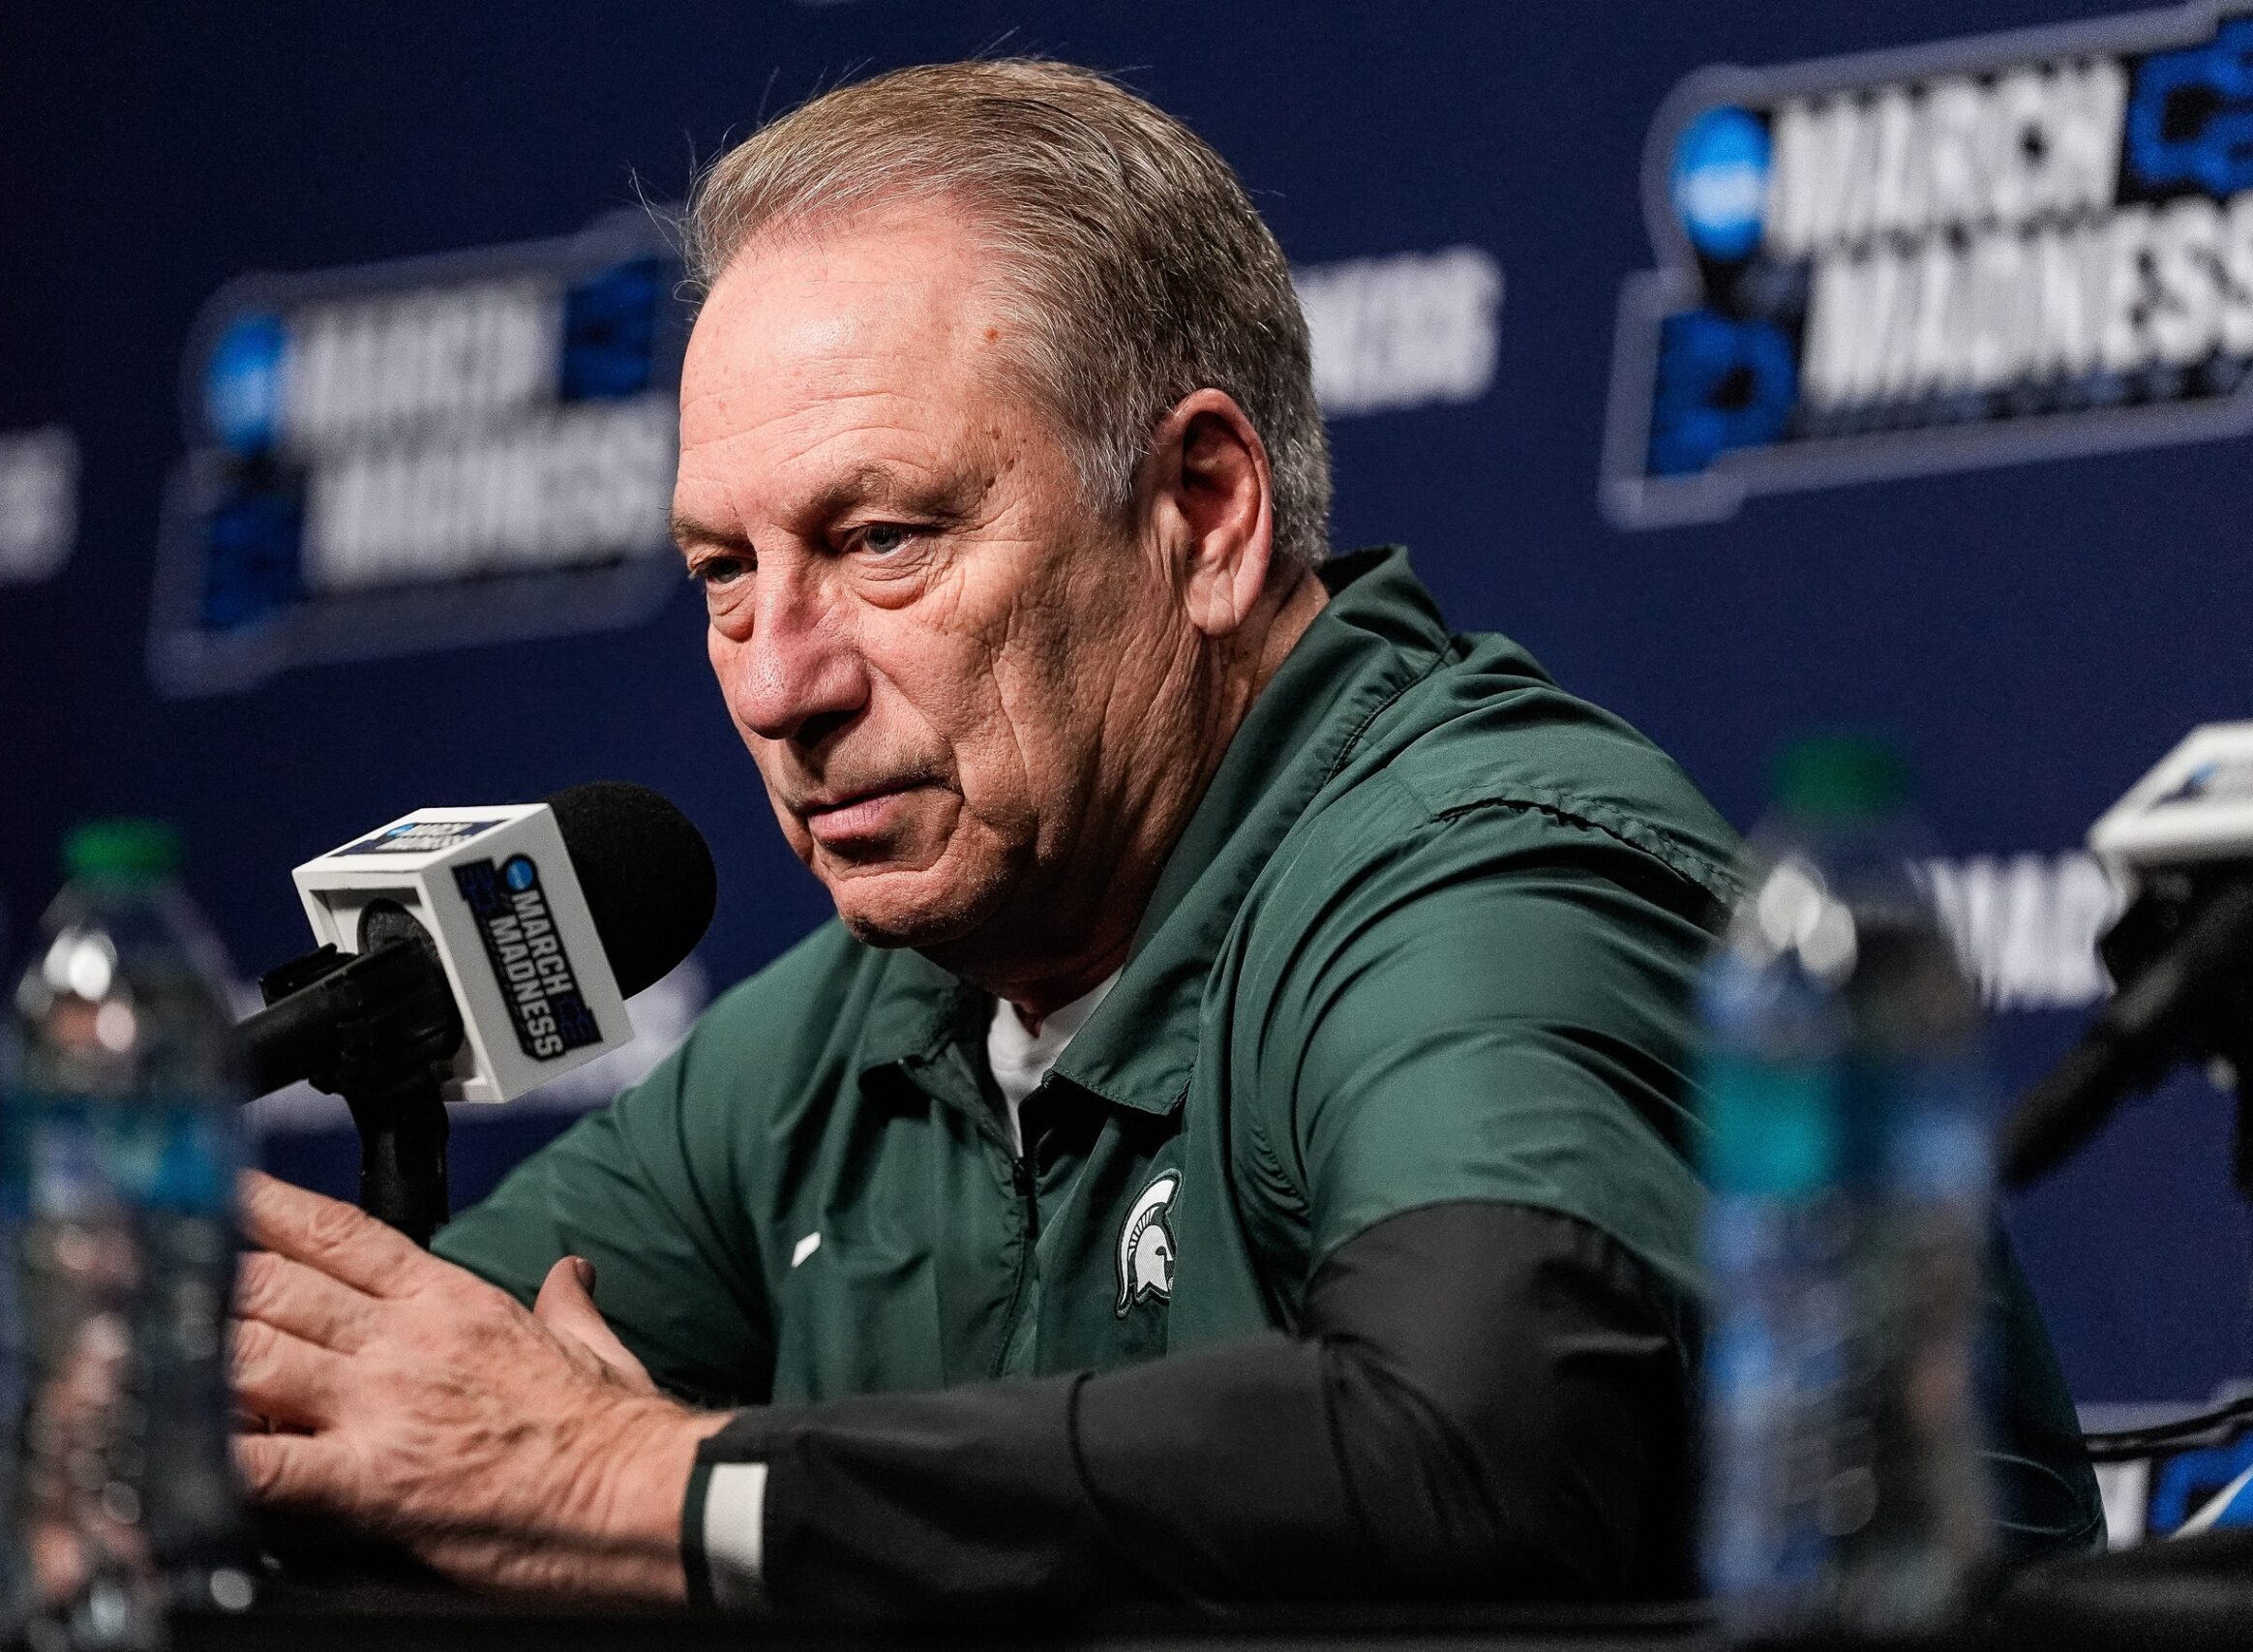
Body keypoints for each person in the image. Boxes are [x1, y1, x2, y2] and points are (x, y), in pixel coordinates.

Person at [226, 58, 2101, 1616]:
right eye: (724, 571)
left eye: (881, 540)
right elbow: (348, 1424)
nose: (779, 683)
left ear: (1203, 511)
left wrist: (647, 1482)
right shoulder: (857, 1025)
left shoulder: (1475, 876)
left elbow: (1475, 1443)